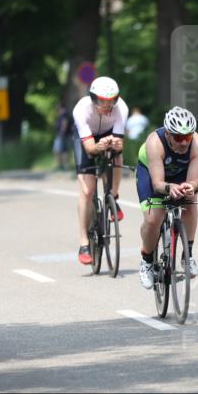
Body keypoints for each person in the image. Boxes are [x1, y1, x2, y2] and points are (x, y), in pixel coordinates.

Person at [135, 106, 198, 289]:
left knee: (190, 202)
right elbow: (158, 184)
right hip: (152, 173)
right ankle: (147, 261)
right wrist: (170, 188)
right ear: (167, 134)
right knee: (153, 219)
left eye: (188, 137)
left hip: (180, 173)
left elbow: (194, 181)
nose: (184, 143)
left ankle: (188, 255)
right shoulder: (154, 143)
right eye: (178, 137)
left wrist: (190, 186)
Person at [72, 76, 129, 265]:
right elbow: (89, 148)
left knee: (117, 157)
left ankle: (113, 195)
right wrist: (99, 146)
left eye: (111, 100)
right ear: (93, 98)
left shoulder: (122, 109)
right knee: (87, 191)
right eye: (102, 101)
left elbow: (120, 145)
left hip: (108, 134)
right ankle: (83, 243)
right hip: (86, 139)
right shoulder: (81, 110)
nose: (107, 104)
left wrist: (114, 144)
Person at [52, 105, 73, 171]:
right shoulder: (66, 114)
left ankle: (61, 165)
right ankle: (65, 165)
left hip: (62, 135)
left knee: (58, 150)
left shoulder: (64, 115)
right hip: (65, 135)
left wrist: (62, 132)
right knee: (65, 151)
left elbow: (64, 123)